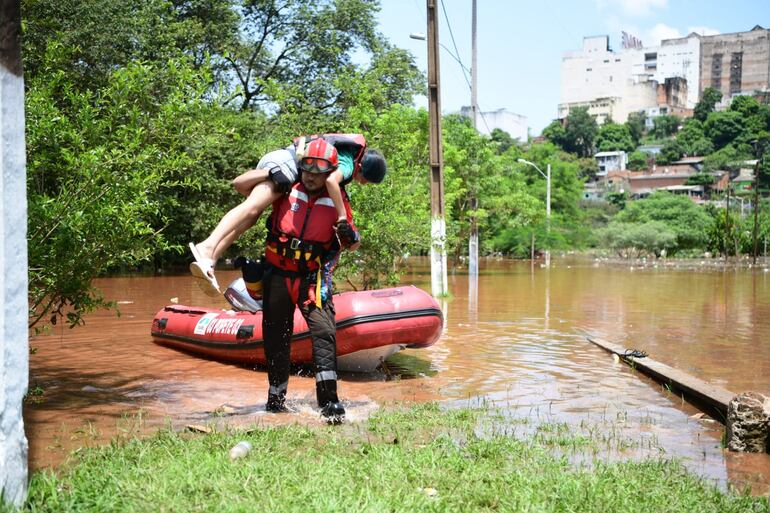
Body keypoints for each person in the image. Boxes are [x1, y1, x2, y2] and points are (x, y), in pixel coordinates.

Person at [188, 134, 386, 297]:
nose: (363, 183)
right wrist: (342, 216)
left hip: (282, 160)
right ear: (362, 169)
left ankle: (210, 259)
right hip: (285, 163)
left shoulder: (348, 154)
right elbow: (332, 181)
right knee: (251, 207)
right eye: (365, 180)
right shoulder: (349, 162)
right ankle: (207, 246)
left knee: (251, 217)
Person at [260, 139, 359, 423]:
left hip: (311, 280)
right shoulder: (286, 188)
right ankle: (275, 399)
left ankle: (329, 403)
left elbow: (352, 242)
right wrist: (271, 175)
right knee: (275, 336)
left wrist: (350, 236)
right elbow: (243, 189)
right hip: (277, 275)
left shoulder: (339, 199)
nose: (311, 176)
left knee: (324, 333)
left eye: (319, 171)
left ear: (331, 172)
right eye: (306, 168)